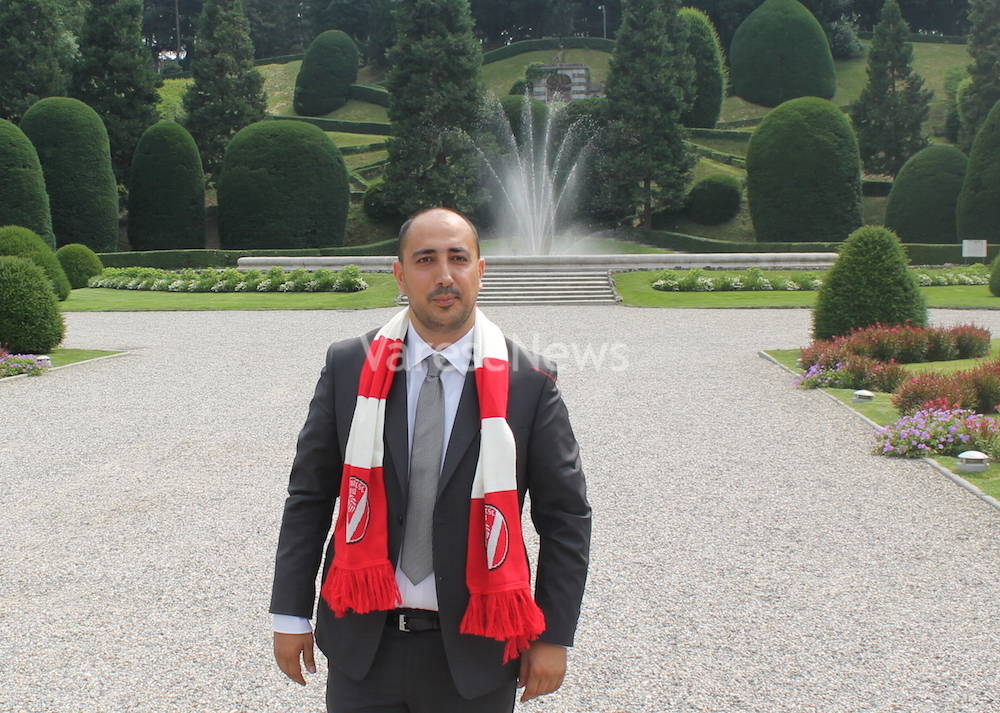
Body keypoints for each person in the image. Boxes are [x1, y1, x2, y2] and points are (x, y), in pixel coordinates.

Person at [269, 207, 591, 712]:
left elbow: (565, 517)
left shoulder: (529, 379)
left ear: (479, 271)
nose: (444, 275)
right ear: (400, 273)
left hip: (476, 653)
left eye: (458, 258)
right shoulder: (351, 364)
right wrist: (289, 614)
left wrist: (552, 636)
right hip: (362, 647)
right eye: (425, 259)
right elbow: (309, 495)